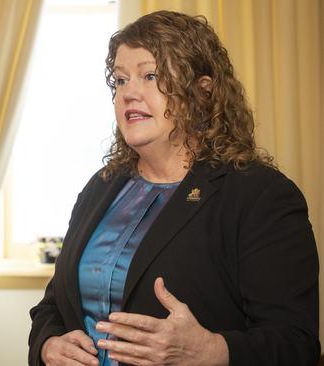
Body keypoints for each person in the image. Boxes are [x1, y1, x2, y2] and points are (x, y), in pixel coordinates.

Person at [28, 10, 319, 366]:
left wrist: (210, 351)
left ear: (202, 90)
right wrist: (48, 345)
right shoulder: (100, 188)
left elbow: (295, 344)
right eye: (120, 80)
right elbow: (54, 305)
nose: (129, 93)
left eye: (149, 76)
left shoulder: (260, 197)